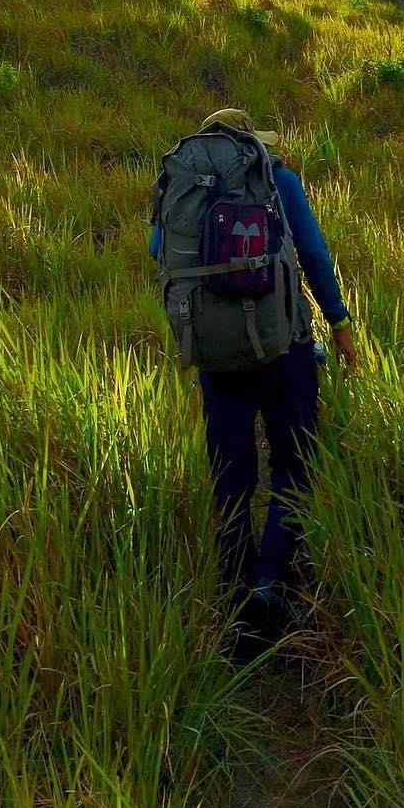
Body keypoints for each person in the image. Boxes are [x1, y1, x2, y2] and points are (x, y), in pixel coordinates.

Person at [150, 108, 356, 641]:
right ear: (251, 144)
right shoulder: (279, 179)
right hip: (283, 345)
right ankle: (270, 583)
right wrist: (338, 322)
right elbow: (312, 253)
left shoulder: (183, 184)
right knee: (294, 459)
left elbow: (158, 252)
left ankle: (231, 586)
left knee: (231, 470)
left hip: (216, 354)